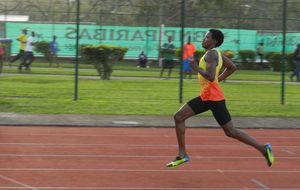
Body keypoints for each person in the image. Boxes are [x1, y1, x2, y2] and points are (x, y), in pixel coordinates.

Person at [166, 29, 274, 168]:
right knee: (179, 117)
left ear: (214, 41)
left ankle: (263, 148)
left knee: (230, 131)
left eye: (206, 37)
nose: (203, 39)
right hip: (206, 96)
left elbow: (210, 76)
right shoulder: (216, 53)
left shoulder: (211, 54)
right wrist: (219, 79)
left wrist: (195, 67)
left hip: (214, 98)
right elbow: (232, 67)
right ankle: (182, 155)